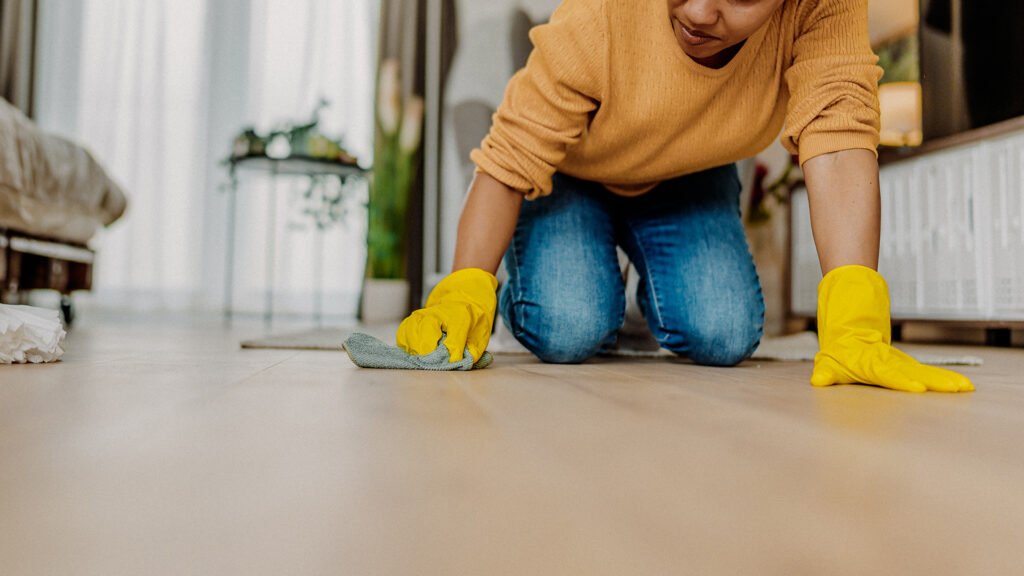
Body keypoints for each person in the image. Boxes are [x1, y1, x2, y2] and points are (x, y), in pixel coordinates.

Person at [396, 0, 974, 393]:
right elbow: (508, 157)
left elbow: (839, 133)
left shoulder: (823, 9)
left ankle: (631, 284)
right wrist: (461, 291)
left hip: (690, 173)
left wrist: (854, 321)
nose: (698, 12)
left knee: (722, 334)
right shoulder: (601, 14)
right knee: (568, 328)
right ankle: (597, 282)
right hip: (574, 170)